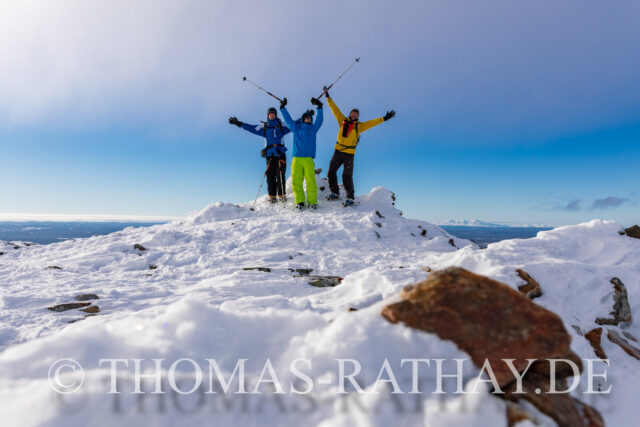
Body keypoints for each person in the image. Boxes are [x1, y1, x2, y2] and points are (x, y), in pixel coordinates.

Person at [323, 87, 395, 206]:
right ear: (350, 114)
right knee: (331, 172)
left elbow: (371, 123)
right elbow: (334, 109)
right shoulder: (342, 120)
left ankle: (350, 197)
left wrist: (384, 118)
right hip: (338, 151)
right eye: (353, 112)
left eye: (356, 114)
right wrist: (328, 97)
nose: (354, 114)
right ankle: (335, 193)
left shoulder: (359, 126)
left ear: (358, 116)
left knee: (346, 175)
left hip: (349, 154)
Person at [229, 108, 290, 203]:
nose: (272, 115)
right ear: (268, 115)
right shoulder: (264, 127)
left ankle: (282, 195)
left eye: (273, 113)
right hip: (269, 154)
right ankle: (272, 196)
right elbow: (252, 128)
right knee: (270, 176)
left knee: (280, 174)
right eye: (270, 114)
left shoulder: (282, 125)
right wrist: (239, 123)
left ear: (276, 115)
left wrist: (304, 118)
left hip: (280, 153)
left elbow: (293, 124)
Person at [279, 96, 323, 210]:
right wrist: (282, 108)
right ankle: (300, 202)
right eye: (306, 117)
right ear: (303, 119)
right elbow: (288, 120)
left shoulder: (313, 129)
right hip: (296, 159)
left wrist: (319, 107)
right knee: (296, 181)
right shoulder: (296, 128)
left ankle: (312, 202)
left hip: (308, 159)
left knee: (311, 181)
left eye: (309, 117)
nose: (308, 118)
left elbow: (320, 120)